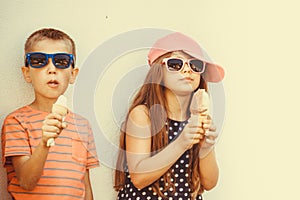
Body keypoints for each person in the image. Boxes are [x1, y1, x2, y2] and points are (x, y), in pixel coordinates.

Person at [114, 32, 225, 199]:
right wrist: (182, 142)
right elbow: (139, 177)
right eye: (175, 64)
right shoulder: (143, 115)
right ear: (159, 70)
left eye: (195, 65)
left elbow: (209, 183)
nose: (187, 69)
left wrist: (206, 148)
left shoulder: (199, 120)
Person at [1, 28, 99, 200]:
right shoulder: (16, 122)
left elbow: (85, 185)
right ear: (27, 73)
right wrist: (45, 143)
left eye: (61, 61)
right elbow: (25, 181)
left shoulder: (82, 125)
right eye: (39, 61)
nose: (52, 69)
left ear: (73, 74)